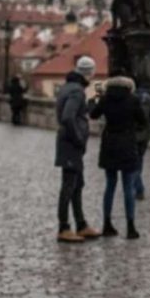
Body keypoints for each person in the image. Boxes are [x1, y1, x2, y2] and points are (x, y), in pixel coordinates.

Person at [90, 75, 147, 240]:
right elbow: (143, 121)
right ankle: (130, 227)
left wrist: (94, 101)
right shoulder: (133, 99)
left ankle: (107, 223)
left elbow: (93, 115)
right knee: (128, 187)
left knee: (110, 185)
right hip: (128, 143)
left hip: (109, 142)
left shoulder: (106, 99)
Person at [54, 56, 101, 243]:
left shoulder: (69, 87)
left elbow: (76, 113)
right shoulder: (77, 91)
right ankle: (64, 227)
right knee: (68, 186)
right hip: (71, 144)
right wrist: (79, 138)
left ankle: (81, 224)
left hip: (68, 143)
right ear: (89, 72)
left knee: (77, 185)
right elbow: (68, 117)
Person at [133, 86, 150, 200]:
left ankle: (139, 188)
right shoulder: (149, 100)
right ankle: (137, 184)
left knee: (133, 164)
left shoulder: (131, 99)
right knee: (139, 161)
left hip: (133, 136)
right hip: (146, 135)